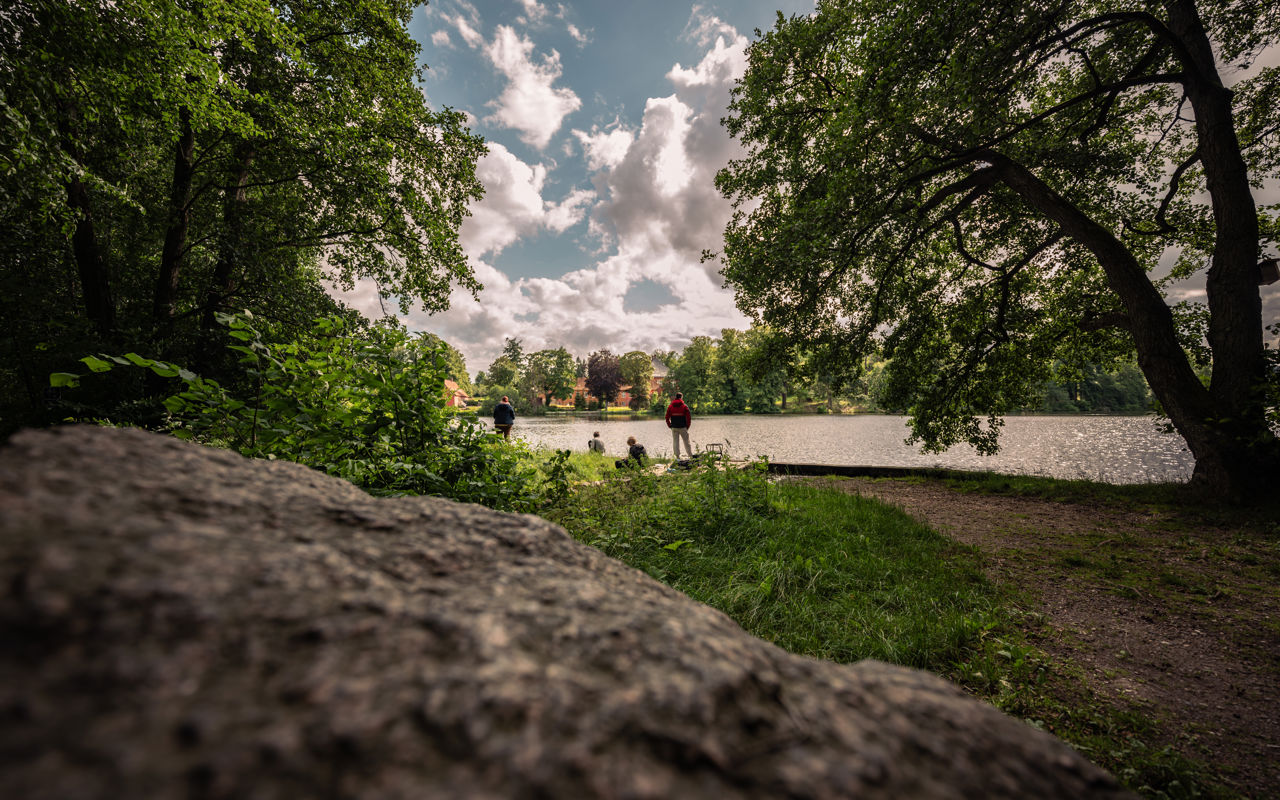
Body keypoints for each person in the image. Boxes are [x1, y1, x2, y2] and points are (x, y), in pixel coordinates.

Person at [665, 392, 692, 459]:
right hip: (683, 427)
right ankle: (690, 456)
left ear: (675, 397)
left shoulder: (670, 406)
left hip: (674, 427)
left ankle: (677, 457)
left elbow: (667, 417)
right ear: (681, 397)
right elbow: (689, 418)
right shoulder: (684, 406)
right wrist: (687, 427)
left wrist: (670, 425)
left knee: (675, 442)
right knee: (686, 442)